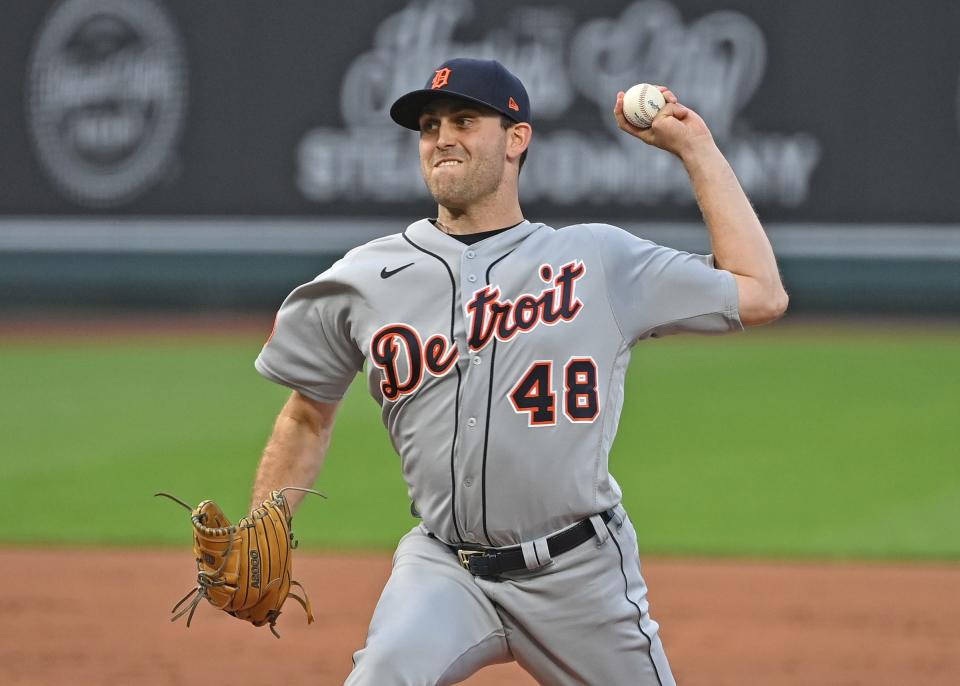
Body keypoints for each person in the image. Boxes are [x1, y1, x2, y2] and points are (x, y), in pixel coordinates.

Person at [251, 57, 787, 685]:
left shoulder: (596, 261)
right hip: (444, 570)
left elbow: (761, 293)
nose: (441, 137)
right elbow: (307, 414)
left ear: (516, 138)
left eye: (464, 120)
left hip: (579, 573)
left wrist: (695, 147)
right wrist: (268, 520)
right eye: (428, 125)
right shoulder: (365, 277)